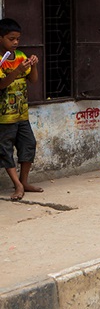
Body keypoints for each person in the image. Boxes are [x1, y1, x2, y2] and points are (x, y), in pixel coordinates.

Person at [0, 18, 41, 201]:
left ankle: (24, 181)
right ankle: (17, 185)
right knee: (6, 150)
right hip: (4, 116)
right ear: (0, 38)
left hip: (21, 113)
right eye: (11, 39)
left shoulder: (21, 56)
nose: (16, 42)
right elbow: (1, 85)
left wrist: (33, 65)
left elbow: (33, 80)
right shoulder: (1, 60)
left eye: (17, 39)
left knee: (28, 144)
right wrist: (17, 71)